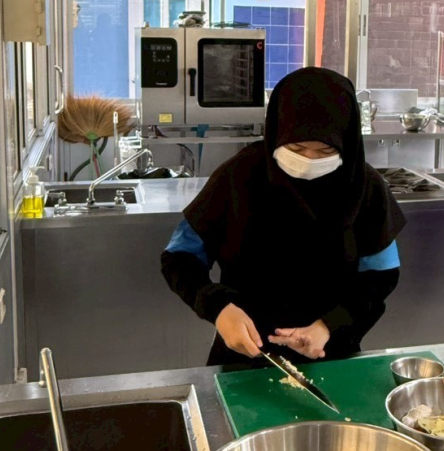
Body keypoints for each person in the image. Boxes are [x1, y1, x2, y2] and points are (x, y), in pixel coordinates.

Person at [161, 67, 405, 366]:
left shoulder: (364, 187)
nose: (308, 161)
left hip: (332, 352)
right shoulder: (237, 177)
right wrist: (219, 308)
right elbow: (179, 258)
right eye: (296, 148)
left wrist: (330, 325)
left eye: (324, 151)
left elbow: (380, 276)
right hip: (245, 353)